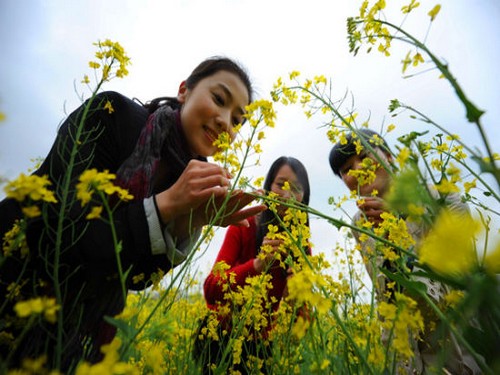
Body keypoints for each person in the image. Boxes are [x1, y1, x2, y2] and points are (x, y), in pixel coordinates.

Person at [0, 57, 266, 371]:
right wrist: (165, 206)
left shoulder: (194, 183)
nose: (225, 122)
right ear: (184, 91)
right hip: (13, 280)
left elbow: (133, 278)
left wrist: (188, 222)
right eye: (219, 100)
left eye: (237, 121)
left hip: (76, 334)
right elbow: (56, 232)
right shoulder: (112, 114)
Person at [328, 128, 481, 374]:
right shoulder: (360, 224)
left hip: (461, 346)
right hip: (407, 356)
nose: (357, 170)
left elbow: (464, 269)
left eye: (363, 156)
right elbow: (385, 293)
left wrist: (399, 219)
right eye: (346, 170)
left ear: (388, 156)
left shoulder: (440, 196)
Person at [196, 156, 311, 374]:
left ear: (304, 198)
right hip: (220, 337)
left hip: (261, 348)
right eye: (280, 184)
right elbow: (211, 289)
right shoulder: (244, 225)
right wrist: (258, 264)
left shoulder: (302, 246)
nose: (286, 195)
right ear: (268, 187)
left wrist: (296, 299)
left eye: (296, 188)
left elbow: (300, 329)